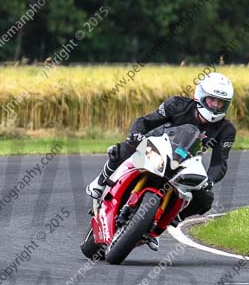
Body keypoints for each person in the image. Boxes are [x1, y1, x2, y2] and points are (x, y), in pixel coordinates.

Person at [86, 72, 236, 250]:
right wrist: (136, 134)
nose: (216, 106)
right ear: (201, 96)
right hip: (155, 146)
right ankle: (100, 183)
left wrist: (209, 181)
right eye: (212, 100)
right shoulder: (177, 104)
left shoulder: (227, 130)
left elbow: (219, 163)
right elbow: (145, 121)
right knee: (123, 149)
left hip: (185, 162)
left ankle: (163, 222)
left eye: (221, 103)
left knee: (205, 199)